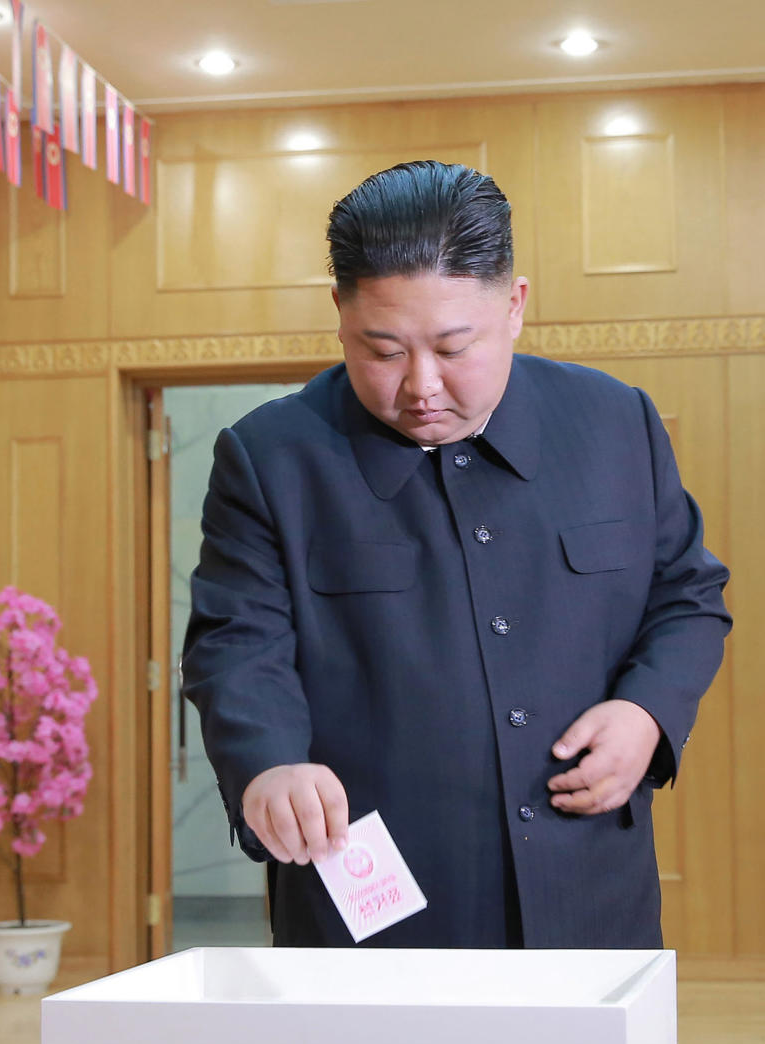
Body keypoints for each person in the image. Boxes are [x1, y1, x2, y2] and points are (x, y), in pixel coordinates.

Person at [182, 160, 731, 950]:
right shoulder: (274, 458)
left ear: (514, 306)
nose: (421, 387)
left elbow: (688, 596)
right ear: (339, 312)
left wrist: (647, 712)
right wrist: (269, 764)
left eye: (453, 346)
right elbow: (238, 644)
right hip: (374, 904)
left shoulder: (616, 424)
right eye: (383, 350)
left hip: (590, 895)